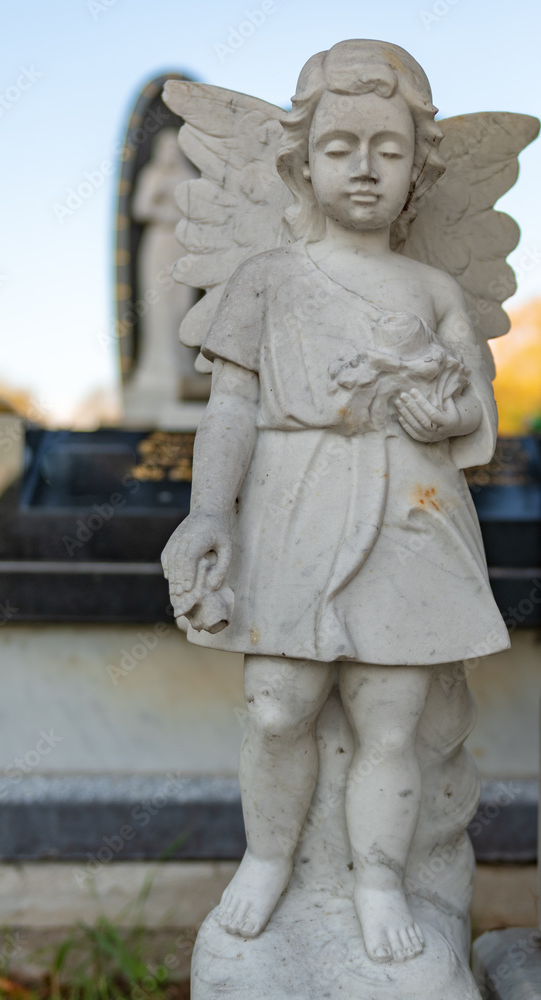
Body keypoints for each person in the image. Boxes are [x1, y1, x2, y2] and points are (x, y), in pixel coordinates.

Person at [162, 40, 509, 964]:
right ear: (301, 163)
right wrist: (206, 515)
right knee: (278, 705)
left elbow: (475, 415)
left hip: (410, 507)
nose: (363, 168)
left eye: (388, 150)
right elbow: (231, 408)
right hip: (293, 499)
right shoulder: (266, 280)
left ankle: (379, 879)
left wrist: (443, 407)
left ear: (417, 173)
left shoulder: (433, 290)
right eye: (340, 146)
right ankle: (269, 857)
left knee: (389, 718)